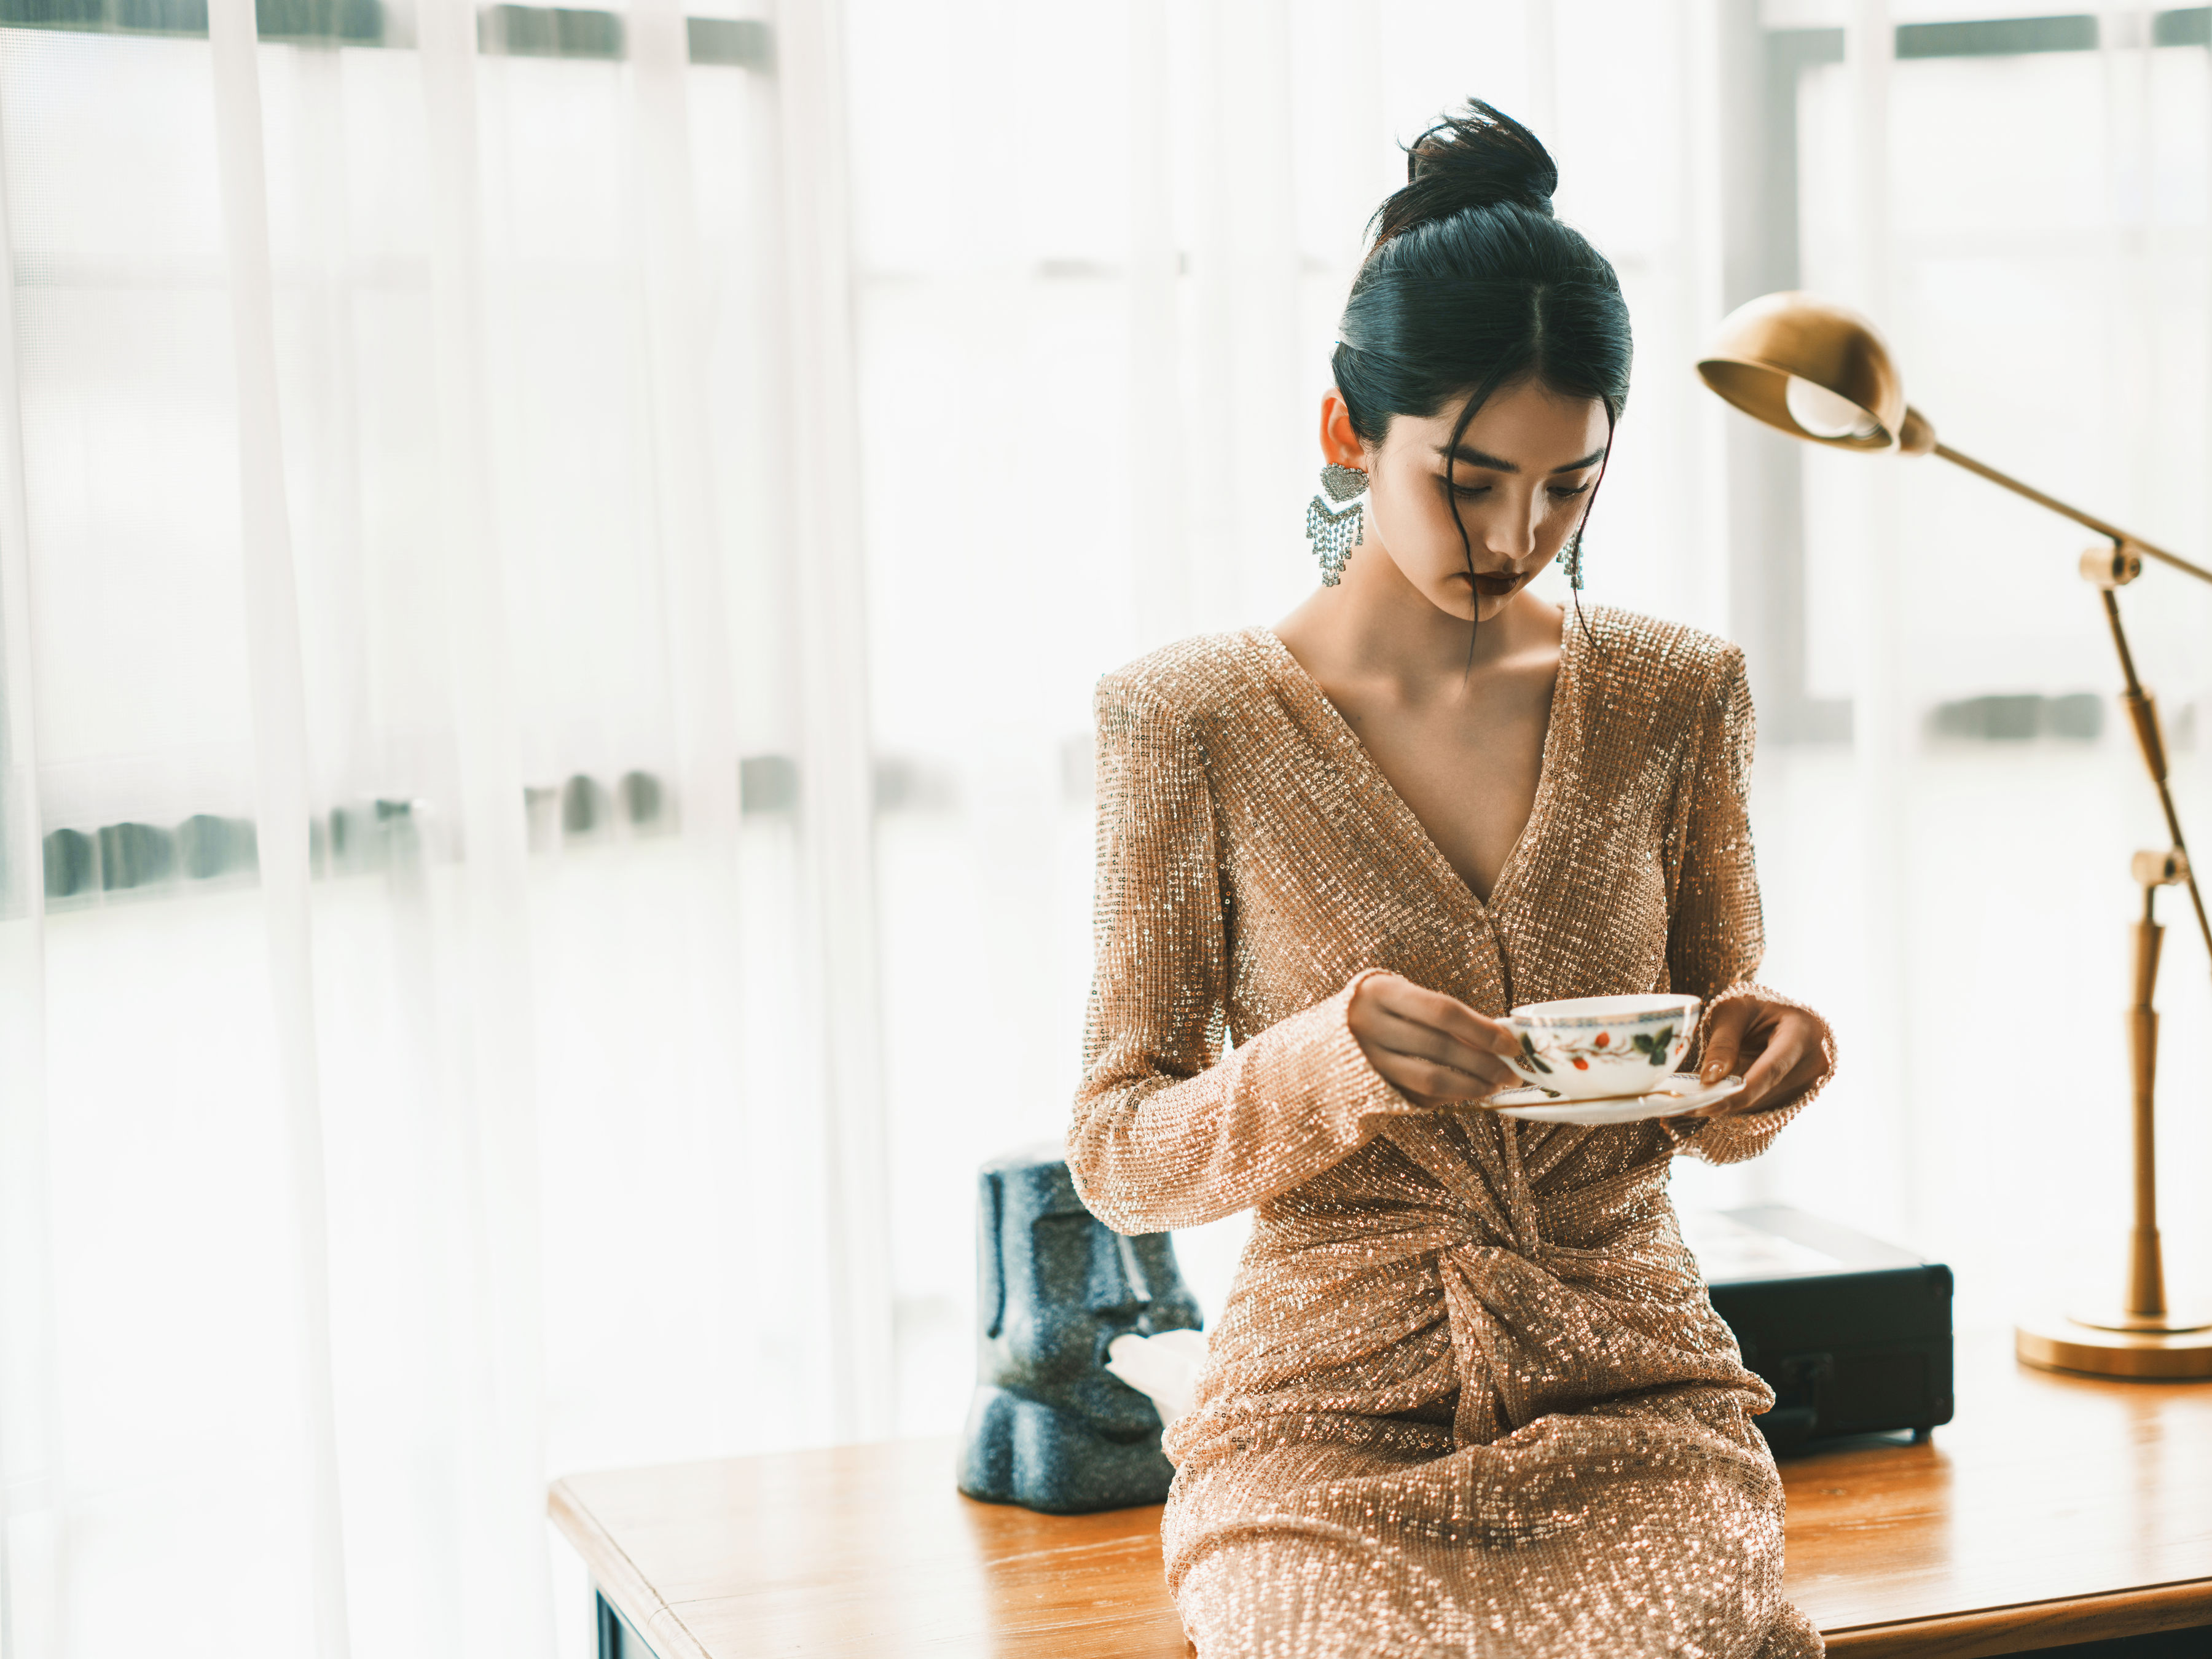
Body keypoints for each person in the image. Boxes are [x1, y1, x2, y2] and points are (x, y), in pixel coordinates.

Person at [1067, 101, 1837, 1659]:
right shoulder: (1188, 720)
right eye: (1471, 481)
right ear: (1350, 431)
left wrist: (1765, 1063)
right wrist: (1323, 1056)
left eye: (1571, 488)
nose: (1520, 535)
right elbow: (1118, 1151)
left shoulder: (1680, 696)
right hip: (1321, 1418)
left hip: (1637, 1395)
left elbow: (1700, 1091)